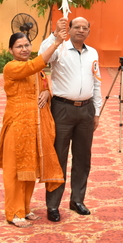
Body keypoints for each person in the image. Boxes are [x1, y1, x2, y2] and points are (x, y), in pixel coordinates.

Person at [0, 31, 65, 228]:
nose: (24, 49)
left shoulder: (37, 71)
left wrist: (47, 93)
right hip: (17, 125)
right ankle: (13, 212)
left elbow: (44, 84)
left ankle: (25, 209)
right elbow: (34, 65)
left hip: (34, 126)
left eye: (27, 45)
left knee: (29, 171)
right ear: (11, 50)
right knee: (14, 172)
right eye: (19, 46)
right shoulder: (12, 67)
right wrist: (56, 43)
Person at [39, 17, 102, 222]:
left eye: (85, 27)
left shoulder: (93, 53)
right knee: (58, 157)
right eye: (77, 27)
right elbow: (42, 57)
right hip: (62, 109)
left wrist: (97, 112)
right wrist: (54, 35)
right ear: (70, 29)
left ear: (89, 31)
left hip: (86, 110)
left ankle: (77, 200)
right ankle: (53, 205)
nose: (81, 30)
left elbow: (97, 83)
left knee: (83, 159)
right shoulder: (60, 48)